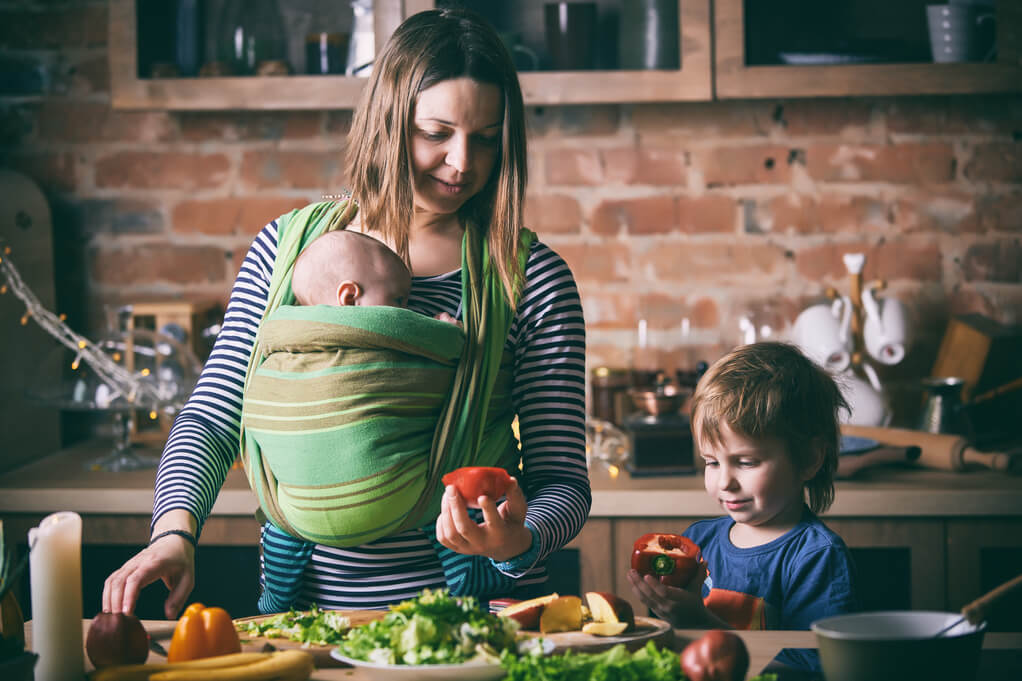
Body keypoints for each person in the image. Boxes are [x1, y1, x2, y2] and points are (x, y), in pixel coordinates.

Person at [102, 7, 589, 619]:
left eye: (486, 138)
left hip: (475, 623)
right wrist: (173, 531)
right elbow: (215, 414)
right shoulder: (287, 252)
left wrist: (519, 542)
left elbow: (563, 481)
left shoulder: (530, 279)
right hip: (309, 620)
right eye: (436, 133)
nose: (463, 162)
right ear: (388, 123)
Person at [628, 341, 860, 671]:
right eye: (711, 462)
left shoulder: (817, 557)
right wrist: (665, 612)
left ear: (809, 459)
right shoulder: (697, 542)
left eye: (746, 462)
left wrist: (699, 621)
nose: (725, 482)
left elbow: (815, 671)